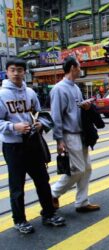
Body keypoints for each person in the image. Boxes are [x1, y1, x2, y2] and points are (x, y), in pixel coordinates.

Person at [0, 58, 65, 234]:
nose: (16, 73)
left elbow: (41, 113)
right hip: (13, 146)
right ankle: (19, 220)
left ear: (24, 72)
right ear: (7, 72)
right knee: (17, 185)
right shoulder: (1, 95)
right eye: (13, 70)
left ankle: (49, 213)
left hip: (33, 143)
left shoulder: (30, 92)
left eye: (20, 70)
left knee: (43, 181)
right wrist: (14, 127)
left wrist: (40, 124)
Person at [50, 56, 100, 213]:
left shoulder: (76, 88)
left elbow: (76, 110)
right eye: (79, 66)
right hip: (69, 135)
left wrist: (86, 106)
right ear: (72, 68)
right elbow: (56, 117)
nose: (80, 69)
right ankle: (52, 193)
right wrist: (59, 140)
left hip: (81, 133)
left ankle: (82, 202)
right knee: (77, 170)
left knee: (87, 168)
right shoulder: (58, 89)